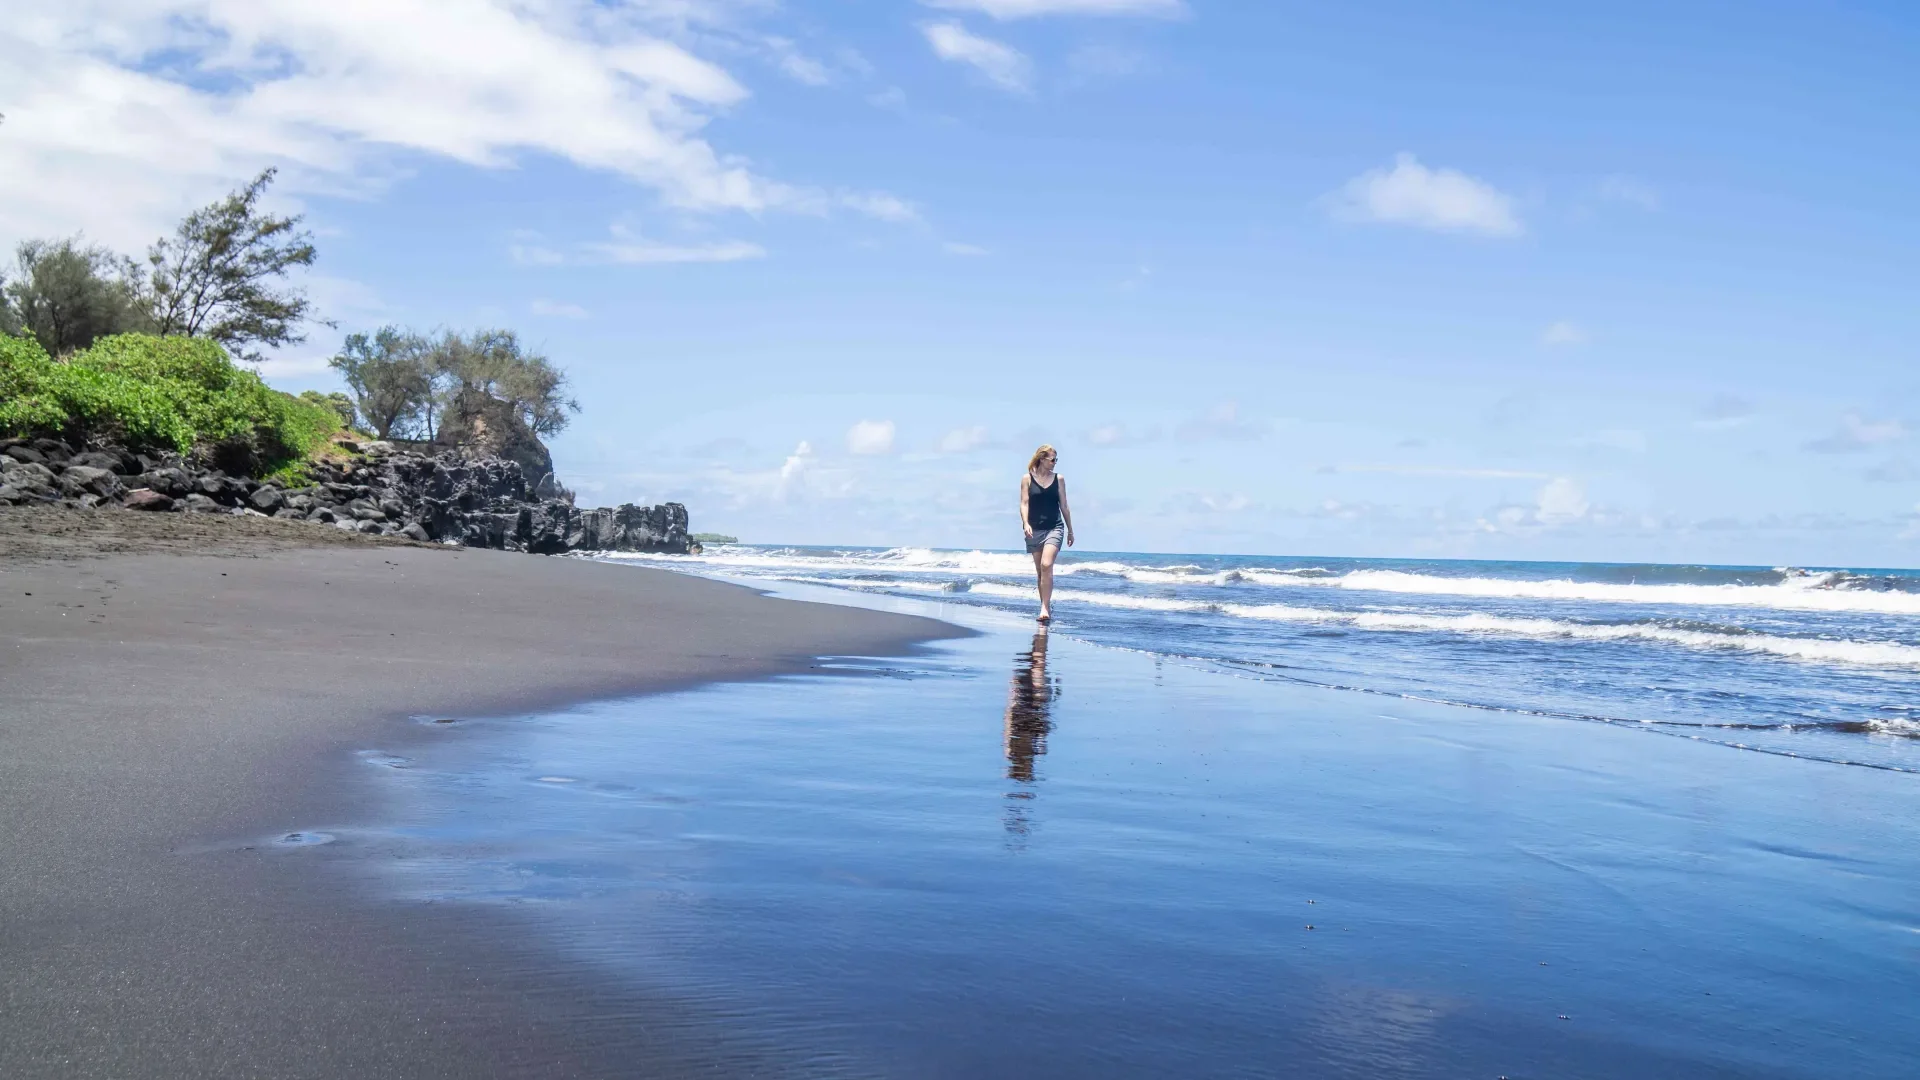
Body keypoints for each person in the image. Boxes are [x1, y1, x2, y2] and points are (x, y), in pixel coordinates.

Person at [1018, 444, 1074, 623]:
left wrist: (1070, 530)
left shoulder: (1059, 479)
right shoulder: (1027, 479)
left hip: (1054, 527)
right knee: (1040, 571)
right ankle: (1044, 604)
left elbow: (1064, 505)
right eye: (1052, 460)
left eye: (1056, 460)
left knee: (1046, 564)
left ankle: (1045, 608)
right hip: (1034, 529)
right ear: (1042, 459)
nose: (1055, 463)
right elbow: (1024, 503)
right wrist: (1025, 523)